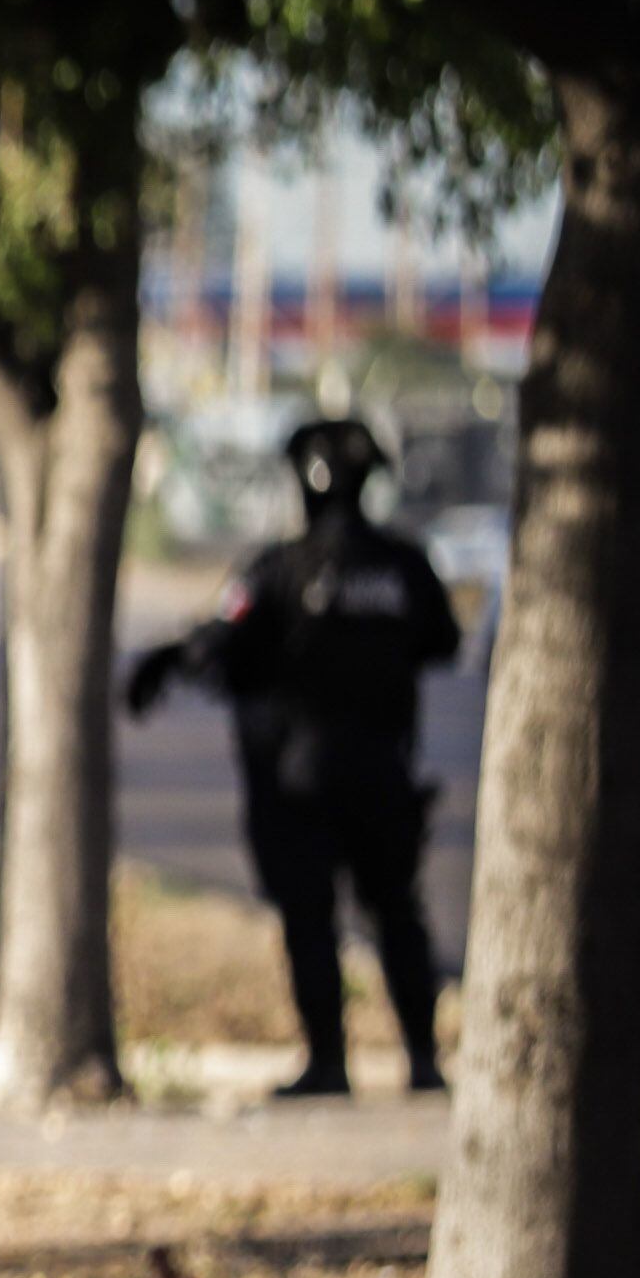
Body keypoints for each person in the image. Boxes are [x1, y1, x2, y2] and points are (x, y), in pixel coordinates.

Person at [126, 416, 461, 1098]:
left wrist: (166, 660)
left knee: (311, 922)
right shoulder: (404, 566)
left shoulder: (278, 569)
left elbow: (221, 641)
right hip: (383, 773)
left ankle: (329, 1063)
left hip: (298, 780)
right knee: (397, 913)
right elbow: (442, 641)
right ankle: (423, 1061)